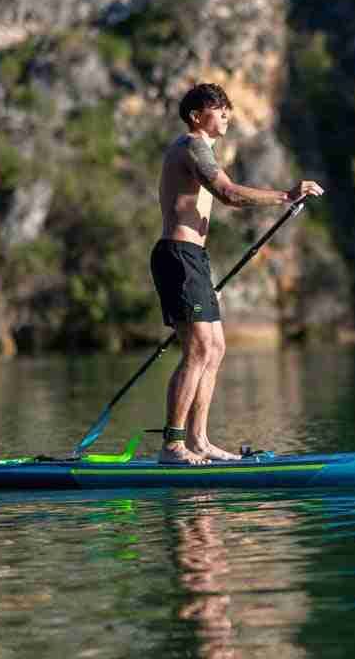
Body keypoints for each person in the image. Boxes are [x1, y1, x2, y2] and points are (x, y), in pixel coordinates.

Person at [150, 82, 324, 464]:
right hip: (178, 256)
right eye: (218, 108)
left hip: (193, 258)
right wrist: (285, 196)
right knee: (197, 349)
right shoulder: (192, 145)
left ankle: (198, 440)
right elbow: (227, 194)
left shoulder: (202, 150)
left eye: (228, 108)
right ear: (197, 116)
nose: (226, 114)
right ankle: (173, 446)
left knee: (215, 348)